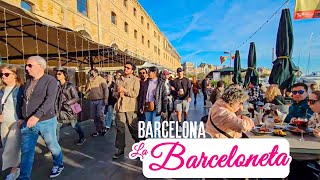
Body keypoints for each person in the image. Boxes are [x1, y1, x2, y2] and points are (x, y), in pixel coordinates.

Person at [20, 56, 64, 179]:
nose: (26, 68)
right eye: (26, 65)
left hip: (46, 121)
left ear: (40, 66)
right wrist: (21, 116)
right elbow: (24, 100)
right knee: (26, 152)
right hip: (28, 122)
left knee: (53, 146)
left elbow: (50, 100)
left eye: (30, 65)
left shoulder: (50, 80)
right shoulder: (28, 81)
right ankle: (24, 177)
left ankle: (59, 164)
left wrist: (37, 115)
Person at [0, 65, 24, 180]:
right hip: (4, 122)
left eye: (6, 74)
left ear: (15, 75)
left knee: (13, 147)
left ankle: (14, 171)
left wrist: (23, 118)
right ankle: (14, 166)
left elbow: (27, 105)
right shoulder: (1, 89)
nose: (3, 76)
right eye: (2, 74)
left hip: (16, 122)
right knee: (5, 146)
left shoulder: (21, 89)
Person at [112, 62, 140, 159]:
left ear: (132, 70)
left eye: (128, 68)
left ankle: (139, 144)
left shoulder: (135, 80)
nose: (125, 69)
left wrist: (125, 91)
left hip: (130, 107)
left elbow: (135, 93)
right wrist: (117, 94)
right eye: (125, 67)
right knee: (120, 128)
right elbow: (114, 92)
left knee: (133, 127)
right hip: (120, 107)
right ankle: (120, 149)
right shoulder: (118, 79)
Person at [54, 67, 85, 145]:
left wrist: (67, 103)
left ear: (64, 75)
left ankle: (82, 137)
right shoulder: (57, 86)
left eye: (59, 74)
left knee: (75, 125)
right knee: (56, 128)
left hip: (68, 110)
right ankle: (54, 146)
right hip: (59, 111)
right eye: (56, 73)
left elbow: (76, 97)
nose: (57, 75)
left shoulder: (70, 86)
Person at [138, 66, 167, 138]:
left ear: (154, 73)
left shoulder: (160, 83)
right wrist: (141, 106)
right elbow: (142, 95)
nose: (148, 73)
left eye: (149, 72)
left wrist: (164, 110)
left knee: (155, 126)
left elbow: (164, 97)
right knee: (148, 126)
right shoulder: (145, 82)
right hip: (147, 106)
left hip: (156, 107)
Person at [85, 68, 109, 136]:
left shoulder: (101, 80)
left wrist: (106, 98)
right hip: (92, 100)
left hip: (100, 100)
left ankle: (103, 127)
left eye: (93, 73)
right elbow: (86, 89)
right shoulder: (90, 80)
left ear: (96, 73)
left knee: (100, 115)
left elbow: (106, 89)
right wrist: (89, 82)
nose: (92, 74)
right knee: (94, 116)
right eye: (90, 73)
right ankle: (97, 130)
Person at [171, 68, 192, 132]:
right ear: (177, 73)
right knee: (179, 112)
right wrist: (176, 92)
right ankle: (180, 125)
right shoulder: (175, 81)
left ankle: (185, 120)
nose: (180, 73)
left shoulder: (187, 80)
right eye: (178, 72)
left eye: (181, 72)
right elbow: (172, 90)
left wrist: (190, 97)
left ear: (183, 72)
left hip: (186, 98)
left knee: (186, 111)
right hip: (178, 99)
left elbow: (190, 89)